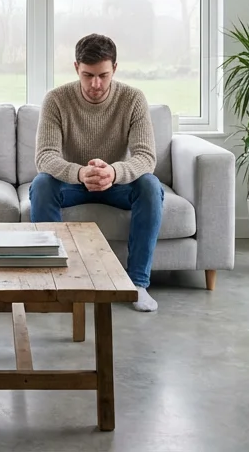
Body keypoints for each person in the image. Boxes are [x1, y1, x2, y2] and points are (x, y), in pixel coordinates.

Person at [30, 33, 165, 312]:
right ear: (76, 67)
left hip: (115, 183)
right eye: (87, 75)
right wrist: (80, 173)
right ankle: (53, 282)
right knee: (42, 184)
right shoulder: (56, 99)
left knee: (150, 186)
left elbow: (146, 157)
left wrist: (113, 173)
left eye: (103, 75)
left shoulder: (133, 99)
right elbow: (45, 157)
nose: (95, 84)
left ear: (114, 68)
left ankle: (137, 285)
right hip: (75, 183)